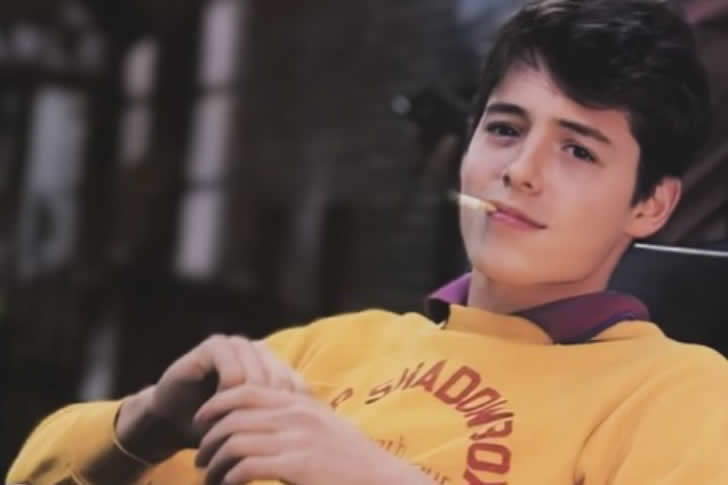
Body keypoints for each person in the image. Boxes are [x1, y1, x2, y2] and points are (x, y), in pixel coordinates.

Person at [8, 0, 728, 484]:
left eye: (578, 150)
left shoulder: (677, 393)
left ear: (652, 203)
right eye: (506, 129)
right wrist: (146, 421)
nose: (520, 171)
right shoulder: (323, 351)